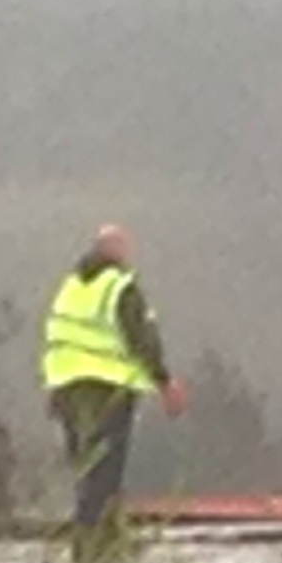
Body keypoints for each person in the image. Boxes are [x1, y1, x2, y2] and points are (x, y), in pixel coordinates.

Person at [40, 223, 187, 543]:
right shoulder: (120, 287)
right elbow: (141, 337)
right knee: (105, 468)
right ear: (118, 250)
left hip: (66, 385)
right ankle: (102, 542)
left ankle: (86, 540)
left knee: (84, 466)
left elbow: (56, 336)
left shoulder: (71, 286)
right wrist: (164, 381)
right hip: (106, 386)